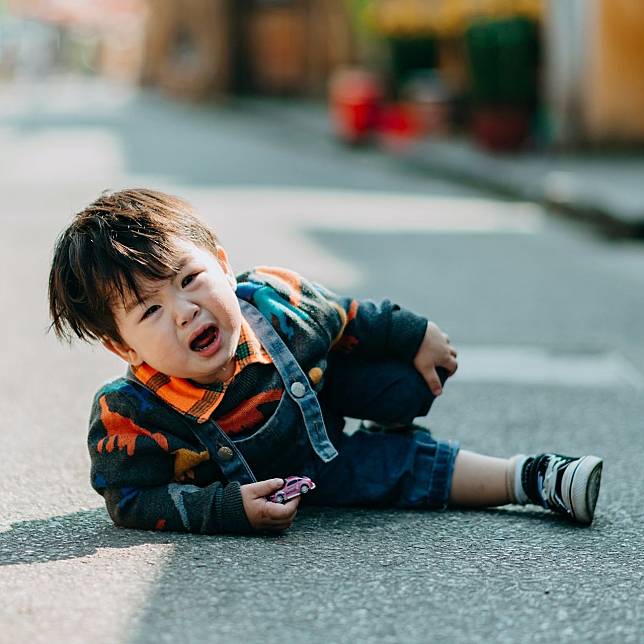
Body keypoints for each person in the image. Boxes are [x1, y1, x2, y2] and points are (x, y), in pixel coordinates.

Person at [47, 189, 603, 534]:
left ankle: (393, 406)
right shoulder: (130, 415)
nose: (186, 311)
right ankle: (530, 477)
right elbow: (131, 500)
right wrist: (227, 509)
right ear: (123, 347)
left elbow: (344, 314)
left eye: (190, 280)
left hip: (318, 399)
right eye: (150, 311)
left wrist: (414, 334)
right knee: (407, 465)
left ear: (221, 263)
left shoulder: (272, 301)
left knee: (408, 379)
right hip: (309, 477)